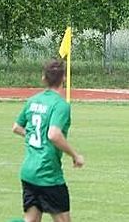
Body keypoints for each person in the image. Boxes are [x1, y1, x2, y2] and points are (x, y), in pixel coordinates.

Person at [11, 60, 85, 222]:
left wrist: (31, 135)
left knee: (31, 219)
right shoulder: (60, 105)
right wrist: (75, 155)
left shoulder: (33, 101)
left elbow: (16, 127)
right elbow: (53, 134)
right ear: (64, 78)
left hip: (29, 172)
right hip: (48, 173)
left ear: (43, 78)